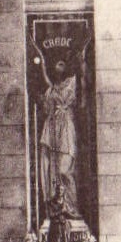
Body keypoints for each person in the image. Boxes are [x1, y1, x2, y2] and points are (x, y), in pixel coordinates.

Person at [38, 58, 80, 217]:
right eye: (56, 63)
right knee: (54, 171)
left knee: (65, 170)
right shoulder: (52, 89)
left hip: (66, 130)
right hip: (54, 128)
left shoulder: (72, 83)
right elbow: (47, 102)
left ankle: (71, 207)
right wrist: (42, 64)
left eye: (61, 63)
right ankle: (58, 207)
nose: (58, 67)